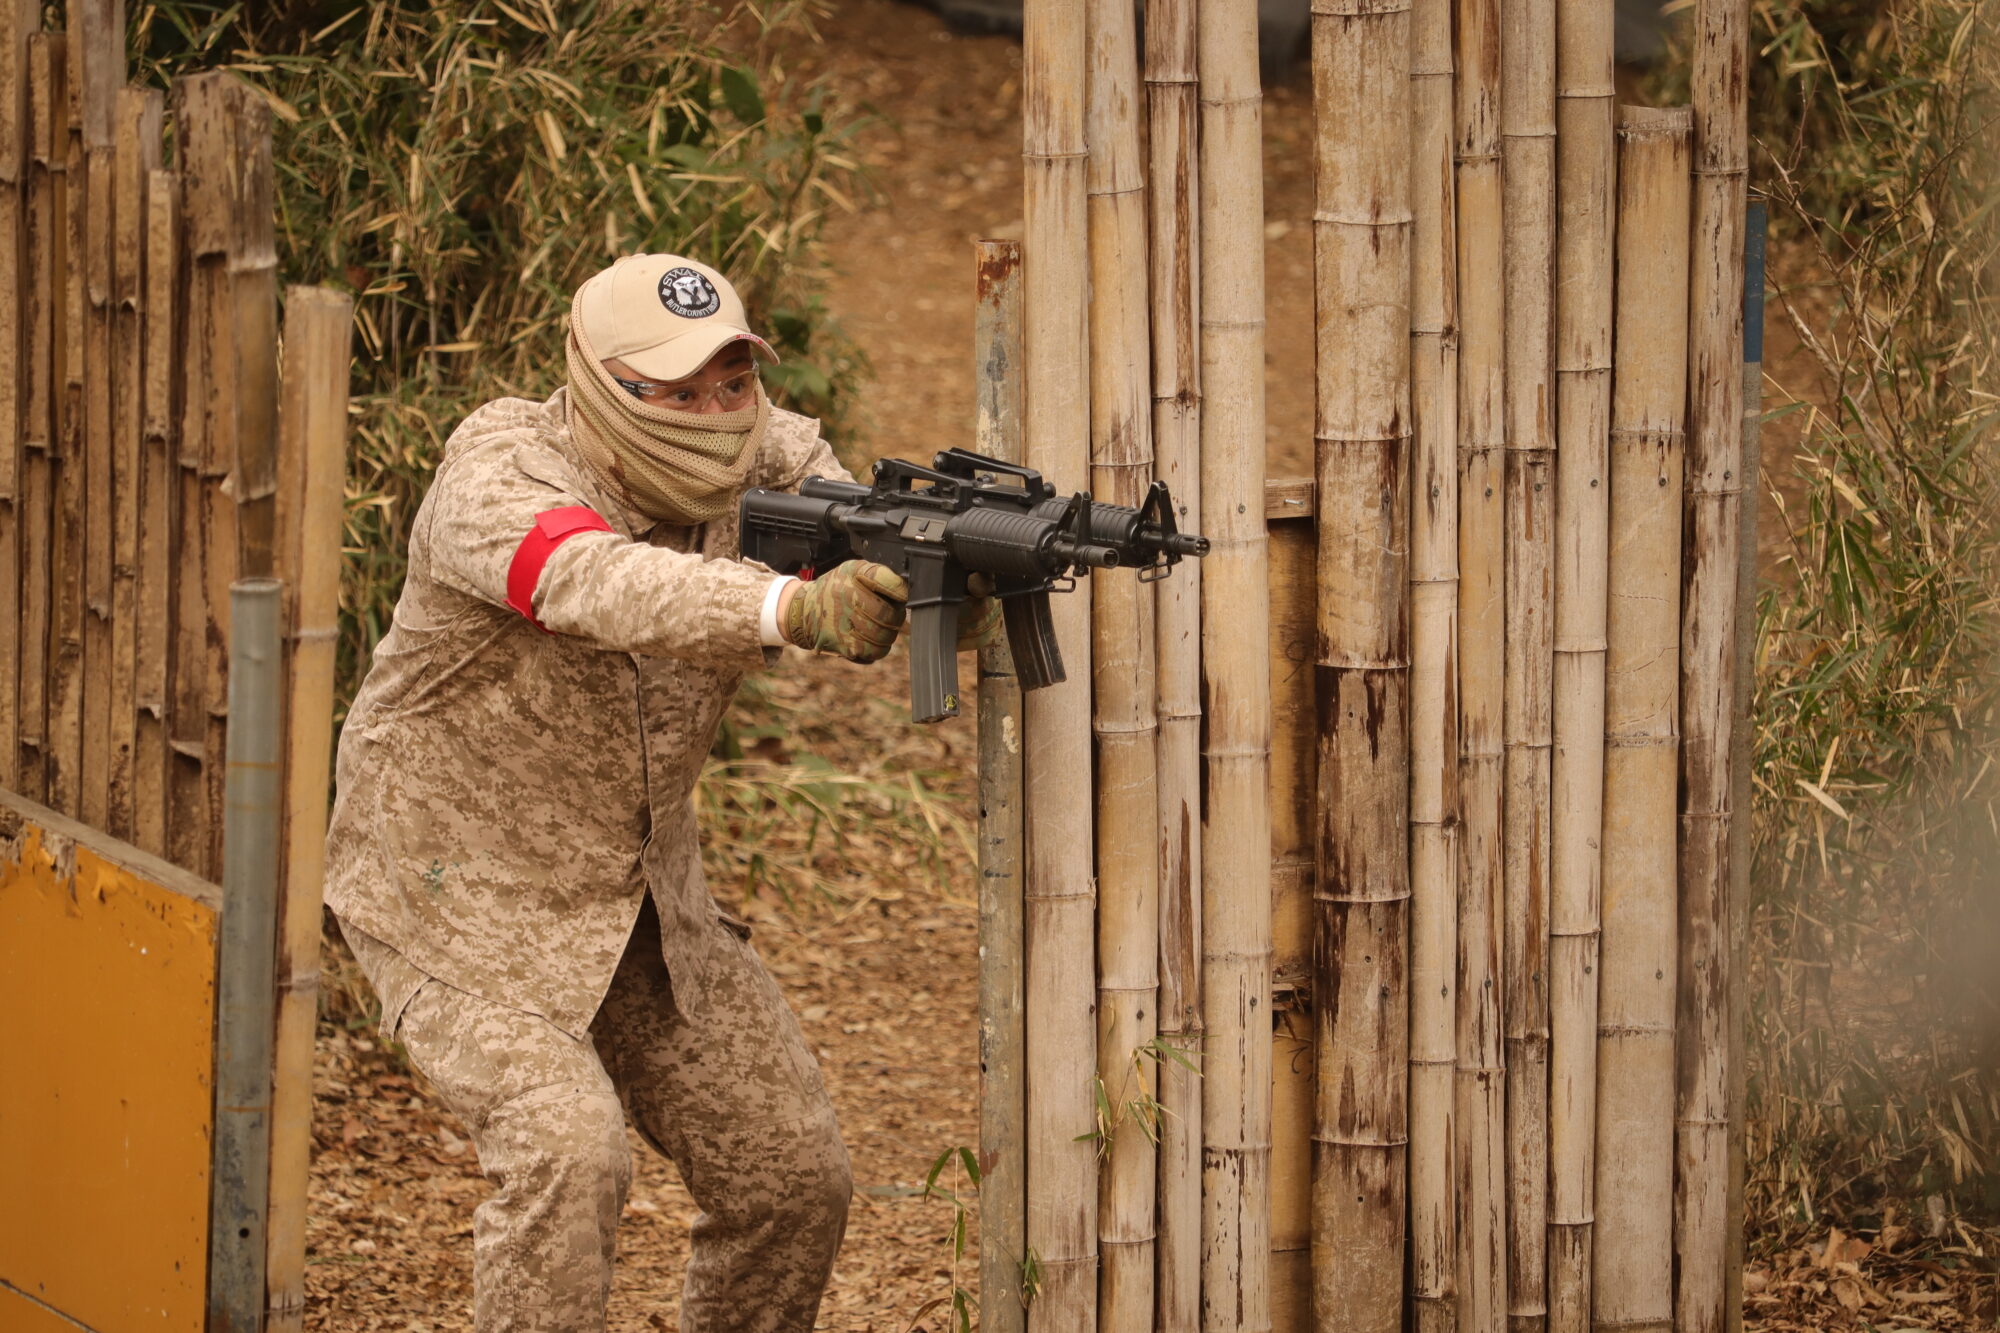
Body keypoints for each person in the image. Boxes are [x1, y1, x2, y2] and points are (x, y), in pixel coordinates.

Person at [323, 252, 993, 1332]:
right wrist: (789, 609)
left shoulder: (775, 458)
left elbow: (865, 530)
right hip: (452, 898)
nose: (717, 417)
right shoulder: (499, 471)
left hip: (639, 902)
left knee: (790, 1177)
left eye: (733, 382)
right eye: (678, 394)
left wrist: (953, 577)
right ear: (599, 384)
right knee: (567, 1153)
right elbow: (591, 580)